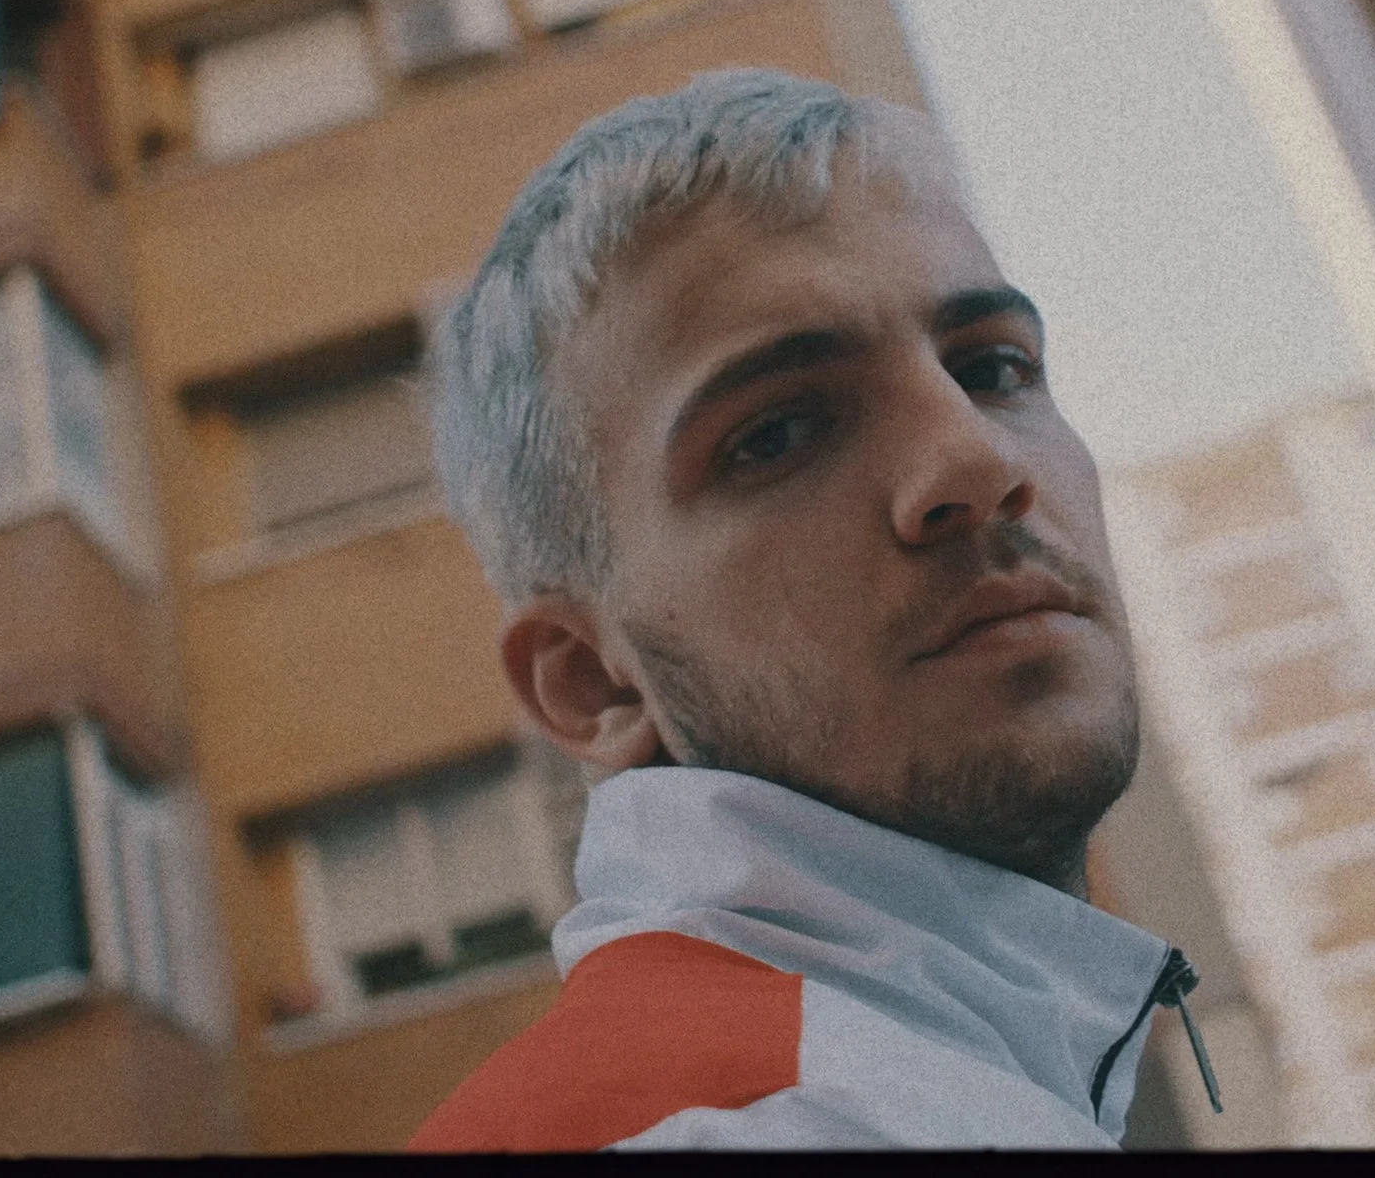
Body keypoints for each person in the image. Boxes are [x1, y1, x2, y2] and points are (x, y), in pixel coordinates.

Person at [407, 68, 1219, 1151]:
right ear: (594, 678)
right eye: (779, 432)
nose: (975, 461)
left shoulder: (905, 1084)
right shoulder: (778, 1125)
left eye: (992, 367)